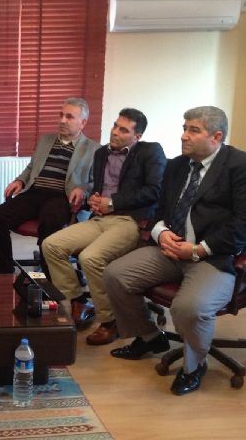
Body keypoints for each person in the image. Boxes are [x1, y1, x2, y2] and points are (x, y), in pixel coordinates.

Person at [104, 106, 246, 395]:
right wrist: (162, 232)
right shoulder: (177, 165)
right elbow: (158, 210)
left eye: (193, 130)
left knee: (189, 307)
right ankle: (150, 338)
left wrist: (198, 250)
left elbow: (242, 224)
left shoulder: (239, 167)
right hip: (171, 250)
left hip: (213, 256)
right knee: (115, 274)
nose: (184, 136)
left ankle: (194, 366)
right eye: (184, 128)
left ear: (217, 137)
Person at [42, 108, 166, 345]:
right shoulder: (101, 153)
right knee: (51, 245)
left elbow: (154, 191)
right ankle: (78, 300)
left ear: (137, 136)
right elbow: (99, 188)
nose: (115, 132)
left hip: (130, 220)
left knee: (90, 258)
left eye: (123, 130)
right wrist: (94, 198)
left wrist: (113, 202)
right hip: (100, 218)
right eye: (115, 126)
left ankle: (110, 321)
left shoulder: (150, 152)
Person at [0, 97, 99, 274]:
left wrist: (83, 189)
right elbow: (31, 168)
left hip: (62, 196)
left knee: (50, 220)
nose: (62, 120)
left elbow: (96, 183)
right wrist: (20, 181)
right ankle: (4, 273)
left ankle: (50, 276)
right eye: (61, 115)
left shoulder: (93, 149)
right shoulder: (45, 140)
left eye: (69, 117)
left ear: (83, 122)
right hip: (35, 192)